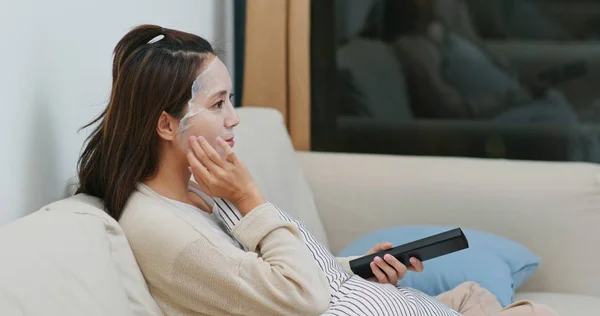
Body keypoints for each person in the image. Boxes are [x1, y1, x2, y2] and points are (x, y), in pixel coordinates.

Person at [76, 24, 557, 315]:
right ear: (165, 123)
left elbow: (295, 276)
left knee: (480, 294)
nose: (233, 117)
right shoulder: (162, 230)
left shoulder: (204, 189)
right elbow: (298, 298)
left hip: (413, 306)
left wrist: (360, 271)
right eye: (218, 102)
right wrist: (252, 202)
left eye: (231, 100)